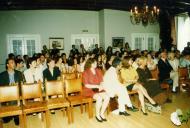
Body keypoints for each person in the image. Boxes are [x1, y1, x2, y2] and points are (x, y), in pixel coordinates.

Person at [82, 58, 110, 122]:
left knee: (107, 97)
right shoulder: (86, 72)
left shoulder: (98, 70)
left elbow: (101, 81)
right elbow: (86, 85)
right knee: (99, 98)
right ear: (90, 64)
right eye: (94, 63)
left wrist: (101, 86)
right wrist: (97, 86)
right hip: (89, 90)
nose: (96, 64)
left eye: (96, 62)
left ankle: (101, 113)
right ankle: (97, 115)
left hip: (98, 89)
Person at [0, 58, 23, 126]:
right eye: (12, 62)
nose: (14, 64)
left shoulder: (19, 73)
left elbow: (21, 86)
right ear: (7, 65)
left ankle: (13, 116)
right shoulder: (2, 75)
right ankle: (14, 115)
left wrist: (16, 87)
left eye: (14, 62)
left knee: (15, 97)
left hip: (17, 94)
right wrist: (9, 87)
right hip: (6, 95)